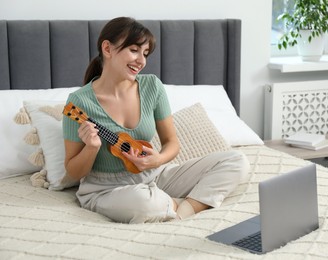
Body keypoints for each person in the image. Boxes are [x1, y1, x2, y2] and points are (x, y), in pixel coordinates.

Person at [62, 17, 249, 224]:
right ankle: (185, 204)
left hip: (156, 174)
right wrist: (90, 148)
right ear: (107, 48)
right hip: (106, 189)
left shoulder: (152, 86)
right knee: (145, 204)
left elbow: (171, 142)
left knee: (236, 161)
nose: (141, 61)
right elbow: (72, 171)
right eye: (134, 50)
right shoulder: (79, 103)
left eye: (145, 53)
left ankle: (178, 210)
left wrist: (157, 160)